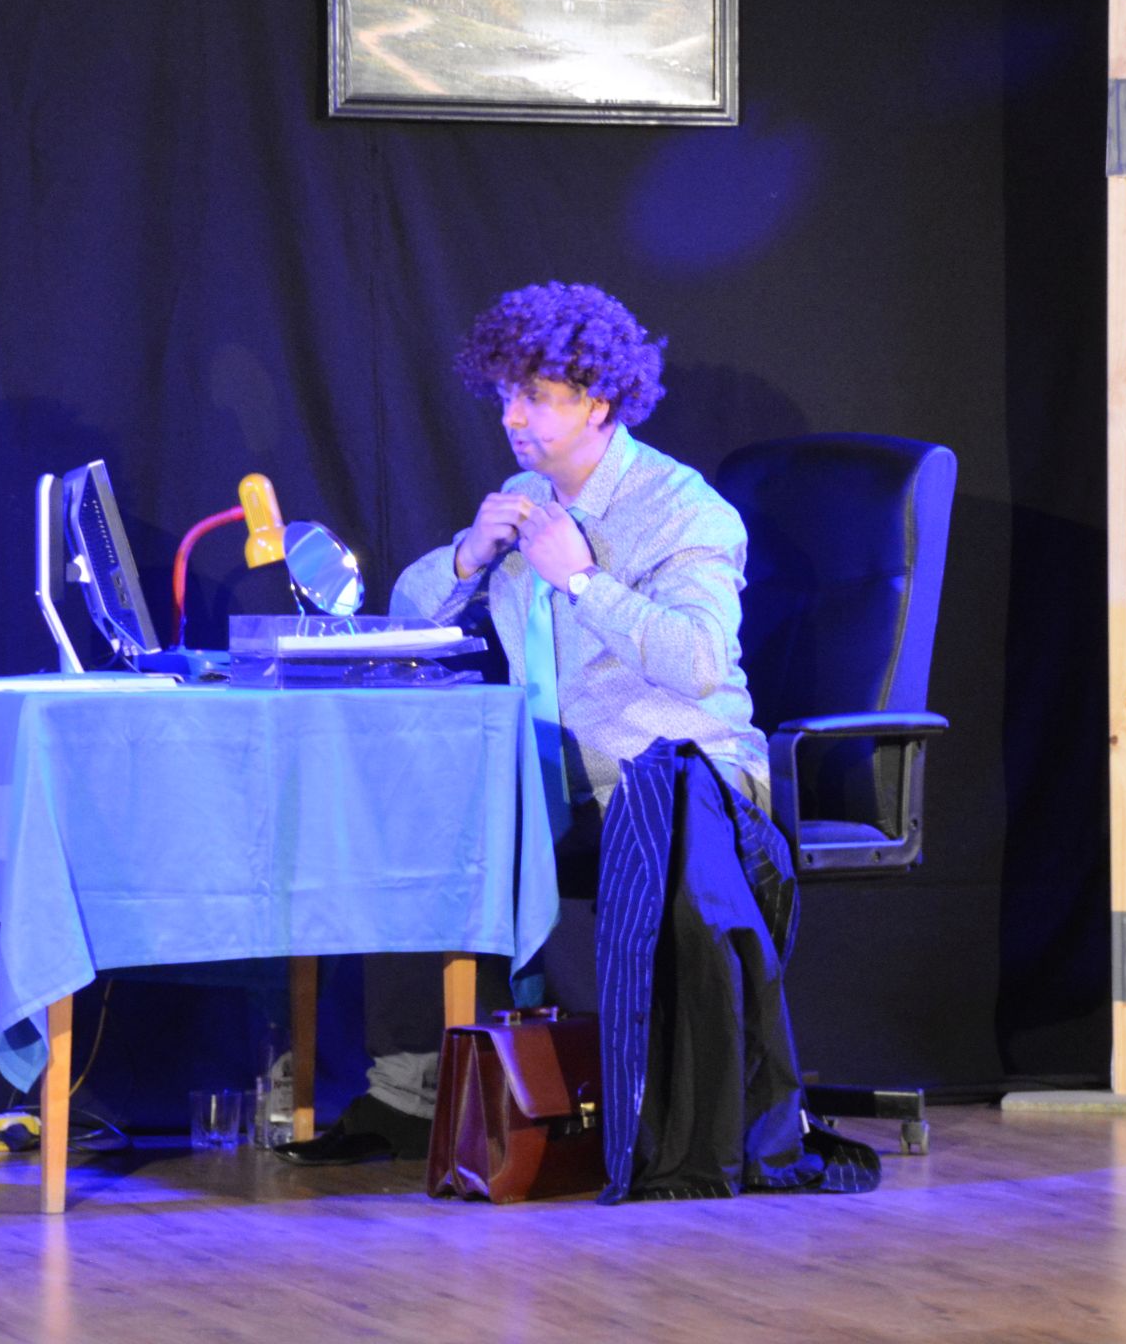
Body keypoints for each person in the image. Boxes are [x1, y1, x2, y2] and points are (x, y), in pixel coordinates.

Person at [276, 280, 769, 1165]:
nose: (511, 417)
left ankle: (641, 1107)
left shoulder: (683, 509)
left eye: (536, 396)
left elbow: (699, 662)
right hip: (551, 776)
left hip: (676, 776)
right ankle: (427, 1086)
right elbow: (409, 615)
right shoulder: (526, 491)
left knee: (598, 828)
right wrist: (469, 555)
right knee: (409, 824)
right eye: (505, 394)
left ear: (600, 402)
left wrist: (582, 580)